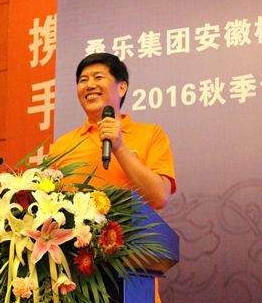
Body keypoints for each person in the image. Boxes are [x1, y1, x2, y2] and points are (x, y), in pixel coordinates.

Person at [49, 52, 176, 210]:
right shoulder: (63, 144)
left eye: (98, 77)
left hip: (129, 226)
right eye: (83, 80)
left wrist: (119, 147)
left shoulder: (151, 134)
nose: (89, 85)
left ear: (121, 88)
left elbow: (159, 198)